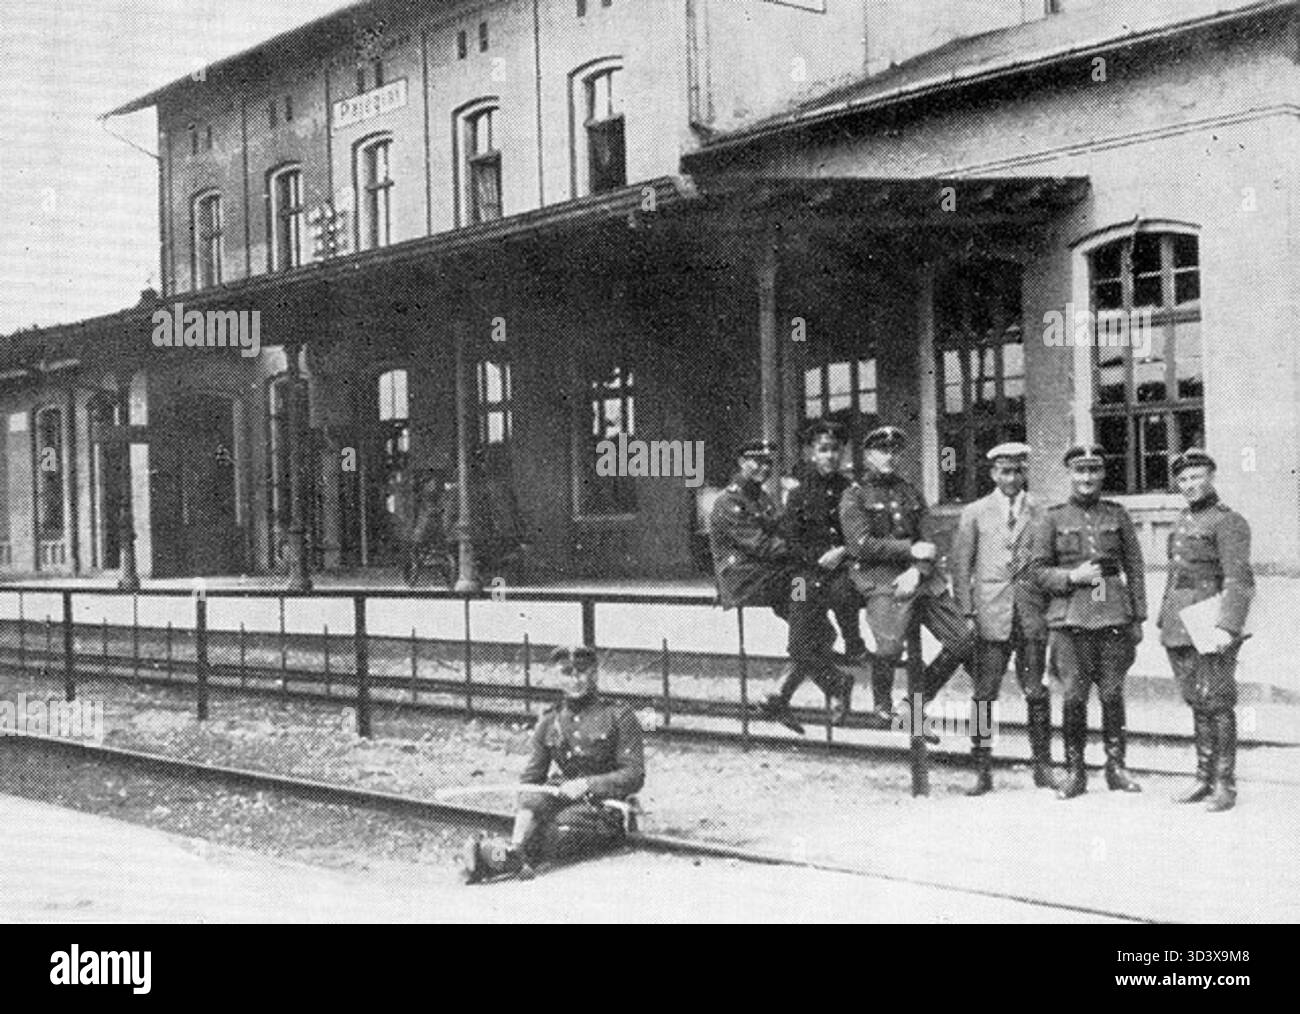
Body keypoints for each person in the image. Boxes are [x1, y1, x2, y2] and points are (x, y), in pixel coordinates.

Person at [459, 646, 644, 883]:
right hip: (563, 799)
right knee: (533, 803)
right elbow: (531, 779)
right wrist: (526, 804)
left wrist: (588, 784)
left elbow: (634, 774)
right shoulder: (550, 719)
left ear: (595, 674)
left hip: (604, 808)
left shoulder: (619, 715)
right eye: (567, 673)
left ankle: (494, 857)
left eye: (582, 671)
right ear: (556, 677)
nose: (575, 679)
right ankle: (510, 853)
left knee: (559, 831)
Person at [709, 439, 851, 733]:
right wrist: (810, 555)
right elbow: (761, 544)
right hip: (743, 578)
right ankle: (833, 683)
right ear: (740, 462)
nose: (763, 468)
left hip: (772, 576)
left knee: (813, 626)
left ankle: (783, 695)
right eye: (755, 461)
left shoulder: (762, 498)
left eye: (767, 463)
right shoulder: (729, 501)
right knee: (803, 583)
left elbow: (784, 532)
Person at [1029, 443, 1146, 800]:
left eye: (1094, 470)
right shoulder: (1052, 517)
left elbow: (1135, 567)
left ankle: (1115, 766)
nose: (1087, 478)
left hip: (1111, 613)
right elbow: (1036, 572)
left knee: (1112, 693)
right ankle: (1075, 771)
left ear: (1102, 474)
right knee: (1074, 696)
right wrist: (1071, 577)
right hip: (1070, 618)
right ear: (1070, 474)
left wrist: (1137, 615)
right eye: (1080, 471)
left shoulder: (1117, 514)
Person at [840, 425, 974, 723]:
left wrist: (918, 568)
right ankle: (881, 701)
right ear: (868, 455)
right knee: (889, 647)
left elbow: (931, 540)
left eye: (894, 451)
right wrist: (909, 551)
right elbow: (861, 545)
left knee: (963, 641)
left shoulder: (910, 491)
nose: (889, 457)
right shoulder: (855, 495)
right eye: (881, 450)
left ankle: (914, 702)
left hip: (921, 579)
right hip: (881, 578)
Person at [951, 442, 1057, 794]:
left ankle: (1042, 768)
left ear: (1025, 472)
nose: (1011, 478)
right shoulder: (975, 512)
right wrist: (967, 612)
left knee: (1036, 691)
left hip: (1029, 614)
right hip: (990, 615)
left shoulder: (1042, 511)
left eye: (1017, 471)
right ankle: (981, 770)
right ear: (993, 473)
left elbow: (1049, 564)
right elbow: (960, 566)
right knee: (984, 694)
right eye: (1004, 471)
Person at [1158, 449, 1253, 812]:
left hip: (1211, 624)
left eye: (1196, 477)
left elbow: (1238, 579)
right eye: (1183, 479)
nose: (1189, 485)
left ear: (1211, 476)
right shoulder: (1183, 519)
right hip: (1180, 624)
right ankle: (1203, 778)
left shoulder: (1228, 521)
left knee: (1218, 703)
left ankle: (1224, 785)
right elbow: (1174, 577)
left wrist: (1228, 626)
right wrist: (1164, 620)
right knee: (1197, 701)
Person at [780, 419, 872, 722]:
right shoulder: (796, 495)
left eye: (836, 449)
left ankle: (853, 642)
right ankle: (837, 683)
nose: (831, 456)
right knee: (797, 643)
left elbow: (862, 533)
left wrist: (843, 551)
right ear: (811, 453)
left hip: (843, 566)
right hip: (804, 574)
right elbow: (791, 542)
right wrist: (819, 557)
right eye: (823, 449)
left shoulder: (852, 490)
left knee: (844, 592)